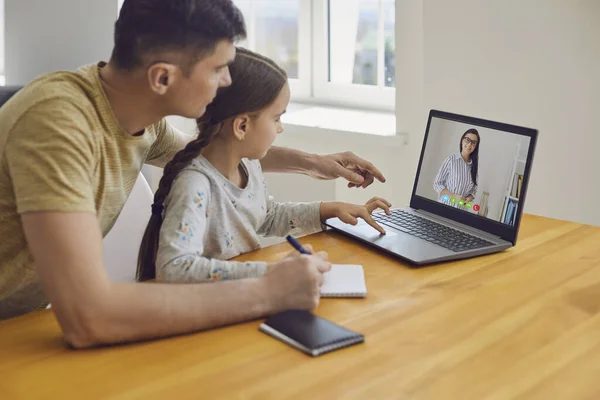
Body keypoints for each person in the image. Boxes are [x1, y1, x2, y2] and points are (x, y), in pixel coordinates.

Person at [0, 0, 385, 347]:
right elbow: (89, 315)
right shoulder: (58, 127)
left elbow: (209, 153)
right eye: (217, 69)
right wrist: (270, 291)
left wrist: (314, 163)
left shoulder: (138, 119)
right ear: (163, 78)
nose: (227, 81)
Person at [136, 48, 392, 283]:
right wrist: (270, 272)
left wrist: (330, 209)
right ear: (242, 126)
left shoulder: (248, 166)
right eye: (277, 118)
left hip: (245, 297)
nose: (280, 128)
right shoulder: (195, 186)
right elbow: (174, 269)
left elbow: (266, 216)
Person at [433, 128, 480, 207]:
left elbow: (474, 189)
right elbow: (437, 184)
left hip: (461, 211)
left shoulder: (474, 166)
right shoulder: (451, 160)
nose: (469, 145)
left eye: (473, 143)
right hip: (444, 207)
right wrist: (453, 196)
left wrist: (470, 197)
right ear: (462, 140)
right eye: (467, 140)